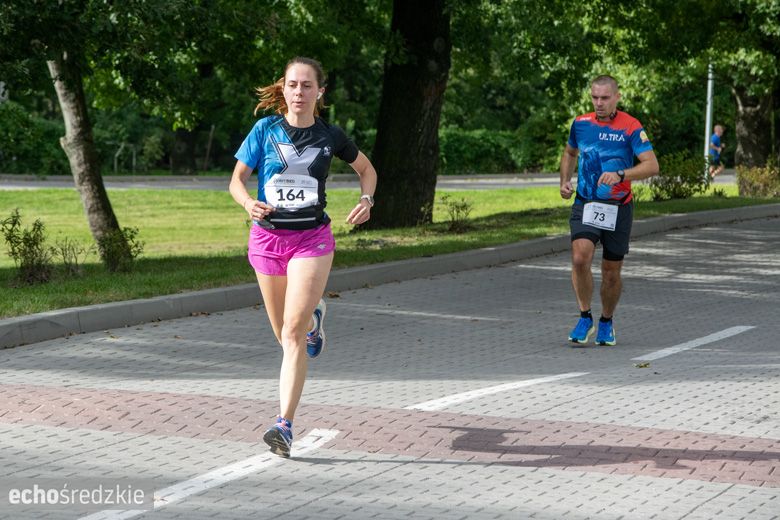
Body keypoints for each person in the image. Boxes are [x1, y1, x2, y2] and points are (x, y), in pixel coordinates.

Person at [229, 57, 377, 457]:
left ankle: (284, 425)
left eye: (307, 86)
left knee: (291, 335)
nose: (299, 92)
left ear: (319, 93)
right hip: (267, 240)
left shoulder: (330, 135)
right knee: (283, 335)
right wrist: (248, 204)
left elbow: (367, 169)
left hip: (312, 239)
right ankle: (315, 319)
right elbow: (237, 181)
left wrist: (367, 198)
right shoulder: (265, 130)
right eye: (292, 85)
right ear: (284, 88)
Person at [559, 75, 659, 347]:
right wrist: (564, 181)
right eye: (595, 97)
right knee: (580, 258)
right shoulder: (581, 124)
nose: (599, 103)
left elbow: (652, 166)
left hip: (618, 206)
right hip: (586, 202)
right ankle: (584, 316)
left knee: (611, 271)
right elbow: (570, 153)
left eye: (604, 97)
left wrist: (621, 174)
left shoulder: (631, 127)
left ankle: (606, 320)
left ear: (617, 97)